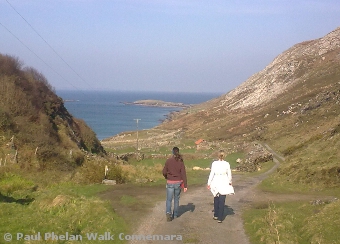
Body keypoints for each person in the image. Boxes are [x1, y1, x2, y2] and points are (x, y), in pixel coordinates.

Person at [207, 150, 233, 223]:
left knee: (216, 198)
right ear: (224, 156)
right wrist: (230, 181)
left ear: (218, 155)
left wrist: (209, 183)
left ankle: (216, 214)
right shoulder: (227, 164)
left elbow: (212, 173)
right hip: (224, 180)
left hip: (216, 181)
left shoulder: (214, 163)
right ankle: (220, 217)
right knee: (222, 199)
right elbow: (229, 174)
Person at [162, 146, 188, 222]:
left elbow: (164, 172)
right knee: (176, 199)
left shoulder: (168, 161)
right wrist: (185, 185)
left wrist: (166, 176)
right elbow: (183, 174)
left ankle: (168, 212)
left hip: (170, 182)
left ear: (172, 152)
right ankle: (175, 214)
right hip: (178, 182)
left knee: (169, 199)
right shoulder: (180, 162)